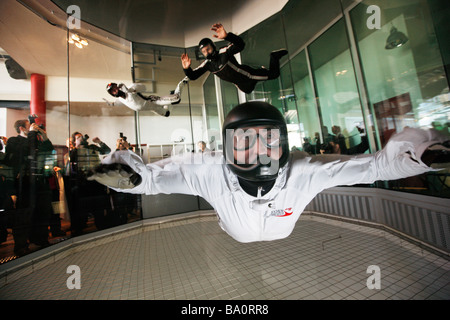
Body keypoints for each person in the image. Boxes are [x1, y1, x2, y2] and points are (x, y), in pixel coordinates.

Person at [87, 102, 450, 243]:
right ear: (226, 146)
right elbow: (156, 177)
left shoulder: (303, 169)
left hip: (282, 226)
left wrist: (421, 151)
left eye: (269, 139)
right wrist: (127, 175)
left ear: (286, 143)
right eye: (245, 141)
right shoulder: (210, 168)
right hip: (235, 227)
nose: (259, 151)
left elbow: (373, 166)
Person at [181, 23, 288, 94]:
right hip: (242, 85)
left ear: (213, 46)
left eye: (208, 49)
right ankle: (263, 70)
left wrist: (227, 36)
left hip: (248, 75)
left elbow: (240, 45)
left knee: (274, 75)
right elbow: (193, 76)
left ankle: (274, 57)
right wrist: (186, 69)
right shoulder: (207, 65)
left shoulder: (224, 52)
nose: (207, 53)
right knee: (248, 90)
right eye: (204, 52)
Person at [4, 119, 55, 255]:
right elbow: (26, 151)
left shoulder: (36, 140)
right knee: (24, 215)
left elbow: (49, 151)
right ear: (21, 128)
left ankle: (40, 239)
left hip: (40, 182)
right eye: (30, 126)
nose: (34, 127)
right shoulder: (14, 141)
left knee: (43, 212)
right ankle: (21, 246)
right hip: (25, 184)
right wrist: (32, 134)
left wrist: (44, 137)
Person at [105, 77, 188, 117]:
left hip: (152, 101)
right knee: (167, 114)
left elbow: (143, 87)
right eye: (112, 91)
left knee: (177, 99)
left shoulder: (130, 89)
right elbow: (116, 103)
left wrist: (130, 90)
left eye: (115, 88)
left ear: (118, 87)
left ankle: (183, 82)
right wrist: (110, 104)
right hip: (152, 108)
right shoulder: (120, 100)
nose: (115, 91)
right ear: (112, 94)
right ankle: (170, 96)